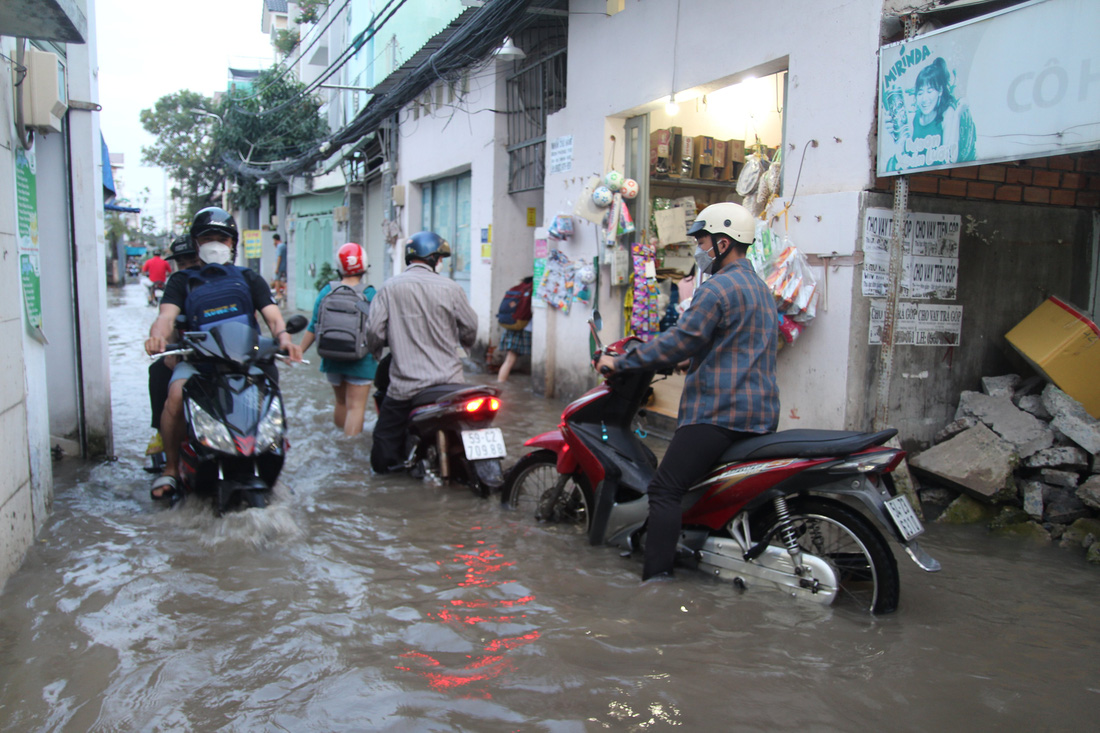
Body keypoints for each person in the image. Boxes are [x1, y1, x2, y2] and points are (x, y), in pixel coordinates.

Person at [596, 202, 779, 581]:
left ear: (724, 243)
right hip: (759, 415)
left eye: (703, 240)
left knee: (665, 490)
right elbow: (731, 343)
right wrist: (688, 360)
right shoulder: (761, 289)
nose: (699, 248)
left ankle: (656, 582)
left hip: (718, 414)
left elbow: (681, 339)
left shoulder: (717, 289)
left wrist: (623, 363)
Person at [144, 207, 302, 501]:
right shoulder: (182, 281)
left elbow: (274, 317)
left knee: (270, 399)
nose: (215, 244)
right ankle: (170, 467)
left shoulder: (249, 278)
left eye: (222, 238)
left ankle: (271, 466)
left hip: (247, 362)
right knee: (176, 395)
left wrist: (284, 339)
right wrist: (157, 336)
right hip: (198, 363)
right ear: (196, 243)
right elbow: (166, 317)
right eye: (208, 238)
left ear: (233, 243)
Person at [366, 230, 477, 473]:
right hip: (451, 383)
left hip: (406, 386)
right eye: (440, 259)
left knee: (383, 450)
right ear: (434, 259)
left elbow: (374, 331)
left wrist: (378, 349)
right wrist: (465, 345)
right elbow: (470, 326)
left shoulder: (389, 288)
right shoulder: (452, 288)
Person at [298, 242, 378, 437]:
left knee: (341, 402)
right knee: (356, 407)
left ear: (339, 267)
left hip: (331, 357)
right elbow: (378, 329)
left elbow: (314, 326)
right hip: (361, 360)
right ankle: (348, 452)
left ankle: (337, 445)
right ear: (364, 265)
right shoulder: (370, 294)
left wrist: (298, 350)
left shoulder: (327, 291)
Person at [897, 57, 976, 170]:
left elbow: (951, 158)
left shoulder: (947, 113)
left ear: (939, 91)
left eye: (929, 91)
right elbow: (901, 159)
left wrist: (957, 115)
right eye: (920, 93)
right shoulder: (912, 118)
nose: (924, 99)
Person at [496, 276, 534, 383]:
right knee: (511, 360)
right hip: (524, 329)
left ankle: (500, 383)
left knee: (509, 360)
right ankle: (501, 382)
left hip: (513, 324)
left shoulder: (519, 288)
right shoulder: (531, 290)